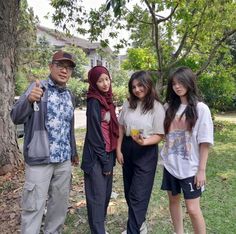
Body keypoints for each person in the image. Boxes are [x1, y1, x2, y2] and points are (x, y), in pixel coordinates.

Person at [10, 50, 79, 234]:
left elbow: (68, 127)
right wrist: (28, 101)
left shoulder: (69, 95)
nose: (64, 71)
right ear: (50, 67)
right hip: (39, 160)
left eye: (68, 68)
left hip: (63, 161)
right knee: (33, 208)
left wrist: (73, 151)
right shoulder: (38, 87)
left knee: (58, 207)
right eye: (60, 66)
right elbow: (15, 117)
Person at [160, 66, 214, 234]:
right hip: (170, 165)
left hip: (190, 168)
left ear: (190, 82)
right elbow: (162, 133)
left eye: (181, 82)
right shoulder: (168, 107)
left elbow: (204, 142)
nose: (177, 86)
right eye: (174, 83)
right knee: (173, 201)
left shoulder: (201, 108)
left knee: (192, 209)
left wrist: (201, 170)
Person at [116, 71, 165, 234]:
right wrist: (118, 149)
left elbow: (159, 135)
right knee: (129, 192)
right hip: (128, 147)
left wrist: (144, 142)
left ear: (148, 84)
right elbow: (121, 127)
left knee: (139, 194)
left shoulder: (157, 107)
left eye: (140, 85)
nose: (137, 89)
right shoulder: (128, 103)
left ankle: (133, 231)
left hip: (146, 150)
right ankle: (140, 223)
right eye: (134, 86)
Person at [81, 66, 119, 234]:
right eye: (100, 80)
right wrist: (104, 161)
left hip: (108, 154)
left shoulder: (107, 101)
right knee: (97, 198)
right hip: (96, 157)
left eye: (107, 79)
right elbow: (95, 136)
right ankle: (98, 230)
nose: (105, 83)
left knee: (105, 195)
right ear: (93, 83)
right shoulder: (94, 101)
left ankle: (99, 228)